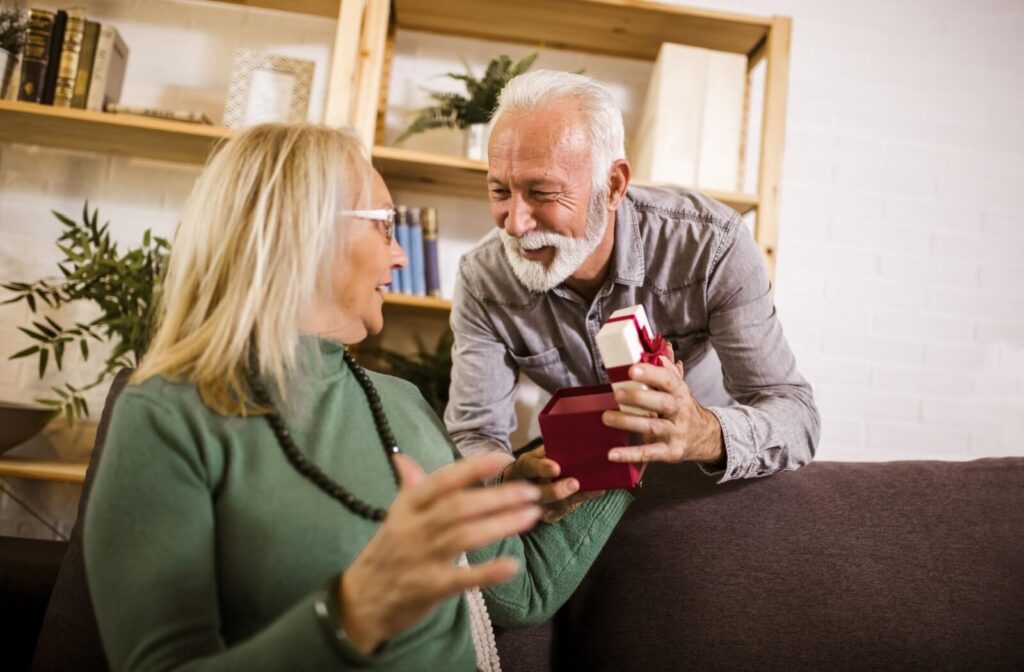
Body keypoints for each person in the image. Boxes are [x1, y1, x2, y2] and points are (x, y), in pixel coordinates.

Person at [83, 124, 633, 671]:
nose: (400, 256)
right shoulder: (165, 413)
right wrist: (351, 613)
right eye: (386, 226)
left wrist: (633, 435)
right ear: (304, 233)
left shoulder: (402, 406)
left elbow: (523, 593)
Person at [445, 70, 820, 522]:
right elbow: (474, 435)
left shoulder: (710, 246)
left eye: (542, 193)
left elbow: (796, 417)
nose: (514, 223)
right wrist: (508, 480)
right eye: (500, 191)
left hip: (702, 479)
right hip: (583, 490)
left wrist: (701, 432)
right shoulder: (482, 279)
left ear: (614, 186)